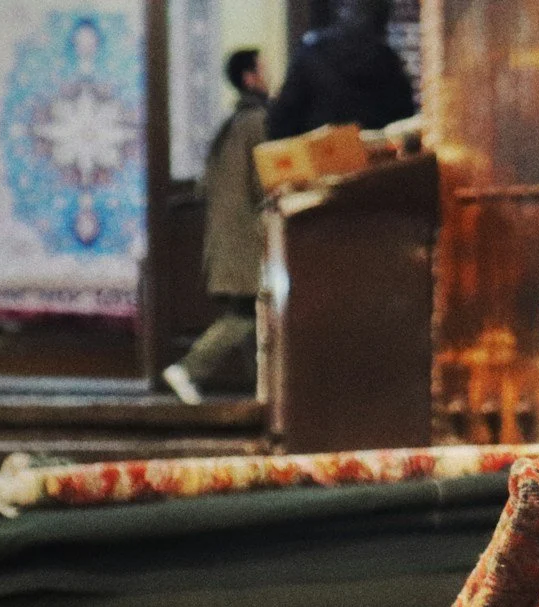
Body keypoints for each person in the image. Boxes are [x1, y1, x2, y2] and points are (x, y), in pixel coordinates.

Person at [163, 49, 271, 405]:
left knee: (254, 318)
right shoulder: (258, 123)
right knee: (244, 314)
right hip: (248, 239)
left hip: (231, 239)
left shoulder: (232, 124)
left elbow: (206, 185)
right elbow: (266, 181)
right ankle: (189, 369)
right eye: (265, 67)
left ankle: (263, 391)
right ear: (250, 77)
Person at [265, 0, 415, 141]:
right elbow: (404, 120)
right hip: (376, 161)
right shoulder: (389, 62)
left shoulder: (311, 55)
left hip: (321, 159)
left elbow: (280, 123)